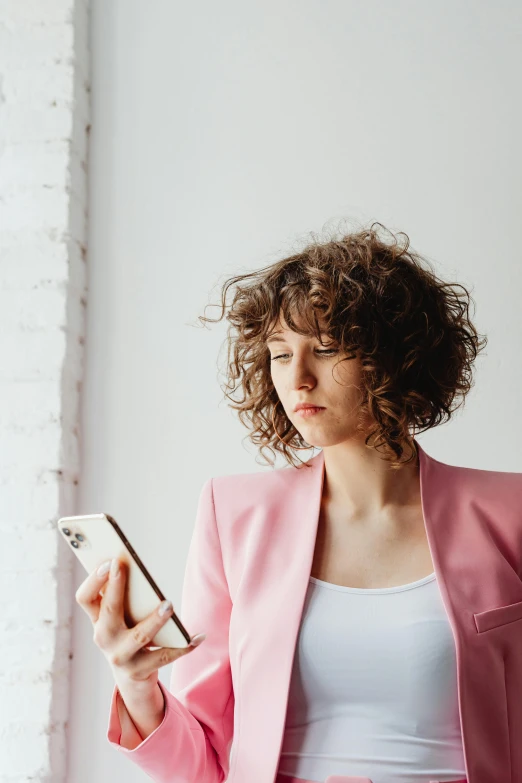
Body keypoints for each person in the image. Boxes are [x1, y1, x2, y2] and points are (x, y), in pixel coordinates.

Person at [76, 222, 519, 783]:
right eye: (280, 354)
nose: (298, 379)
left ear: (400, 357)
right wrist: (136, 682)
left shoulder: (510, 512)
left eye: (326, 349)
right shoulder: (233, 514)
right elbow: (204, 763)